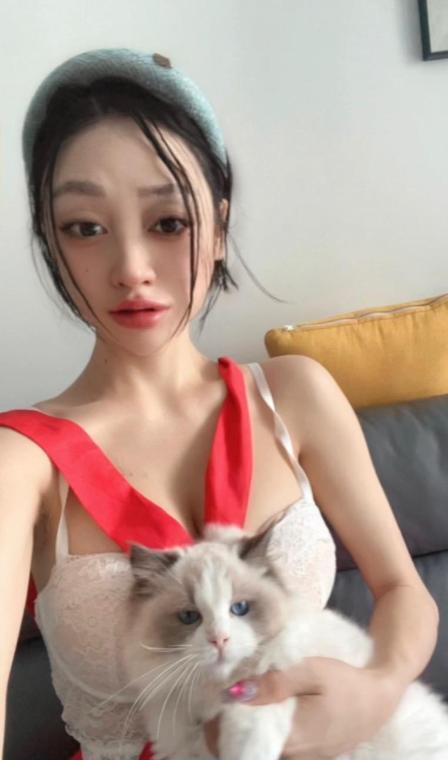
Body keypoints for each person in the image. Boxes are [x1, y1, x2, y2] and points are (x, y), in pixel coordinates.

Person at [0, 47, 439, 760]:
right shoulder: (18, 462)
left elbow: (402, 590)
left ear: (220, 228)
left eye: (169, 222)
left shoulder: (294, 394)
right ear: (51, 241)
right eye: (85, 227)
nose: (131, 269)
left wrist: (377, 688)